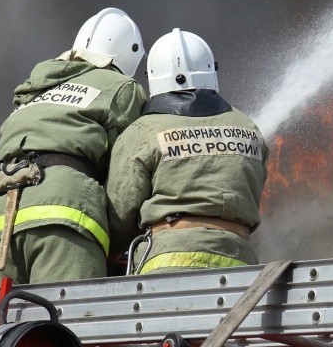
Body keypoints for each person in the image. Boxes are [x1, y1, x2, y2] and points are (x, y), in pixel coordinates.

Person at [0, 8, 147, 285]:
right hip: (64, 212)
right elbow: (128, 169)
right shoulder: (121, 87)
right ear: (130, 54)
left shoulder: (36, 88)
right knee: (70, 324)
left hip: (0, 214)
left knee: (10, 324)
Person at [106, 29, 267, 274]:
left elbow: (119, 219)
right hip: (239, 264)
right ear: (211, 70)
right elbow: (250, 195)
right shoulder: (248, 127)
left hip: (165, 264)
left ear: (153, 77)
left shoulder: (141, 132)